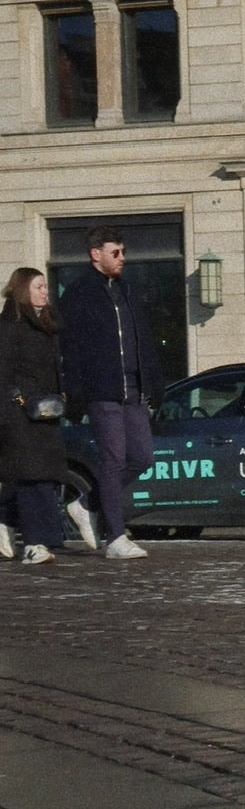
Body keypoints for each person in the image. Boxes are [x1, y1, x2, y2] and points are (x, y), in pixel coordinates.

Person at [59, 225, 162, 560]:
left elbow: (143, 339)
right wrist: (75, 394)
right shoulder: (78, 293)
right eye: (115, 252)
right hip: (103, 390)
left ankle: (87, 503)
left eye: (123, 252)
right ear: (95, 255)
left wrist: (154, 384)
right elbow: (71, 349)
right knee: (113, 460)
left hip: (134, 389)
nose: (122, 258)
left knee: (143, 457)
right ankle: (115, 537)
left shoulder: (128, 290)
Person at [0, 268, 71, 564]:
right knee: (31, 478)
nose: (46, 291)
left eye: (45, 286)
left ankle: (16, 526)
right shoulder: (10, 326)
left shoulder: (47, 325)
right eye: (39, 286)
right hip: (19, 415)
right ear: (23, 290)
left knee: (45, 477)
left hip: (46, 413)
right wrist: (12, 408)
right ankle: (34, 543)